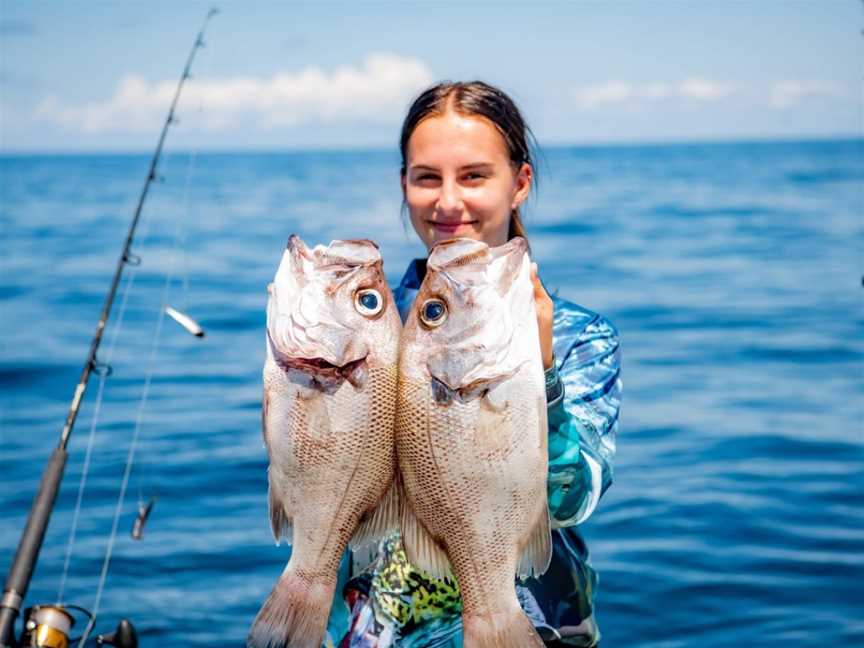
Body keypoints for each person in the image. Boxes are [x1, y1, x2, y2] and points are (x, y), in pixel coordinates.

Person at [326, 80, 621, 648]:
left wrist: (544, 373)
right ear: (404, 185)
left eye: (474, 175)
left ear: (520, 183)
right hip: (370, 634)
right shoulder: (365, 329)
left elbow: (572, 502)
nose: (448, 202)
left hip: (529, 627)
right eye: (427, 177)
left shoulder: (580, 336)